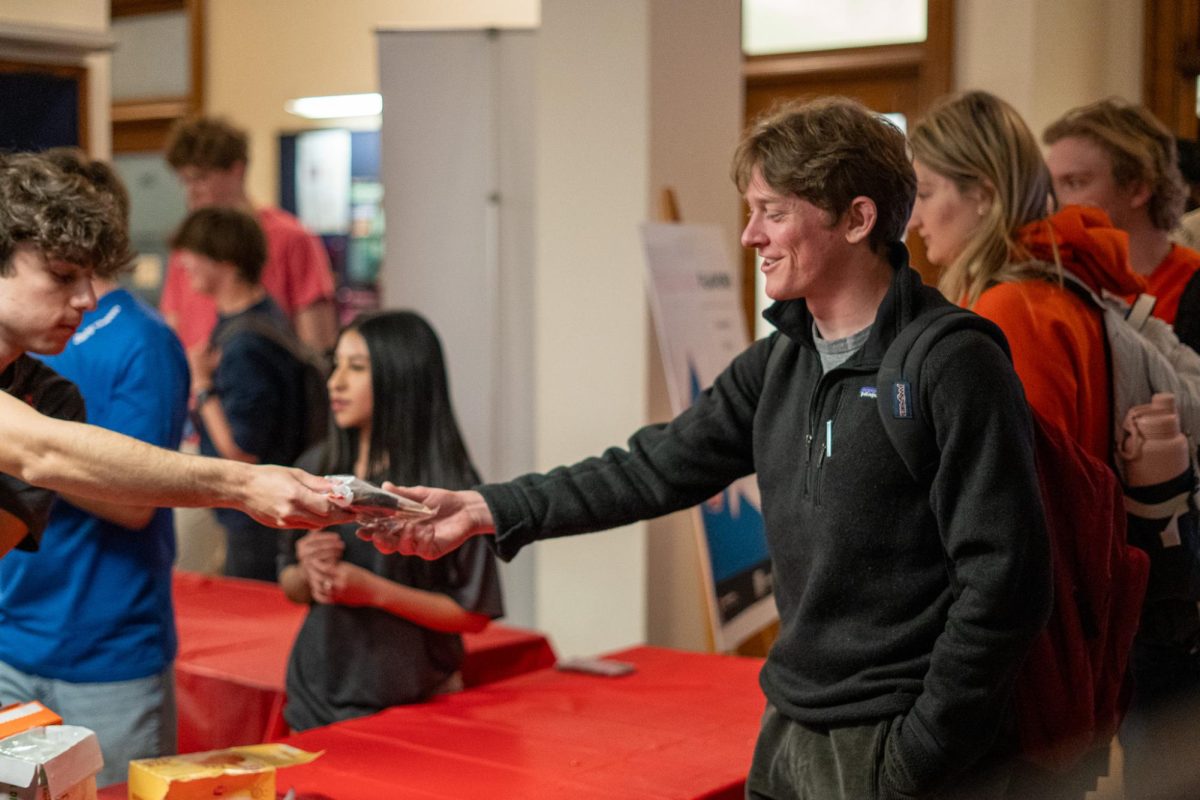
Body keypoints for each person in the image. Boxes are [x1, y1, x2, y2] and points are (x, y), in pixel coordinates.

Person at [362, 97, 1053, 799]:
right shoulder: (780, 363)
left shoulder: (951, 363)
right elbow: (648, 468)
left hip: (894, 744)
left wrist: (924, 749)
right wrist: (484, 508)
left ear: (857, 219)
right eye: (750, 210)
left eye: (773, 211)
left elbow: (1006, 581)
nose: (750, 235)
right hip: (790, 729)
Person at [908, 90, 1175, 799]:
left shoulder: (1011, 310)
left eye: (927, 192)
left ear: (985, 195)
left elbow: (1016, 524)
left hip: (1024, 679)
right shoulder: (1047, 291)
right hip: (1056, 660)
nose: (913, 218)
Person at [0, 149, 189, 787]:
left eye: (87, 272)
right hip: (17, 627)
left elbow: (132, 500)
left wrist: (44, 451)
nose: (80, 297)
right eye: (61, 272)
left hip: (102, 642)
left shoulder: (70, 381)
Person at [278, 310, 503, 732]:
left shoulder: (449, 488)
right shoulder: (316, 467)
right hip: (313, 700)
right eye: (336, 365)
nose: (335, 382)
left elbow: (473, 614)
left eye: (357, 368)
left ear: (403, 377)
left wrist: (374, 592)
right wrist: (309, 574)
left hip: (416, 707)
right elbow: (288, 583)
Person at [171, 206, 314, 581]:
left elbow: (242, 450)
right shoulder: (262, 317)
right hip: (262, 509)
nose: (186, 264)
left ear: (227, 261)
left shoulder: (246, 343)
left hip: (256, 514)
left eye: (196, 254)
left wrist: (202, 386)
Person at [159, 115, 338, 353]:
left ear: (237, 170)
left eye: (200, 178)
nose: (191, 192)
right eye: (185, 181)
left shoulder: (292, 238)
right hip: (202, 386)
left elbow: (318, 344)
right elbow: (173, 327)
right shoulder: (187, 246)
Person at [1043, 99, 1200, 342]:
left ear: (1137, 189)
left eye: (1074, 183)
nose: (1054, 202)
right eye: (1051, 185)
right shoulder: (1060, 281)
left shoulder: (1190, 286)